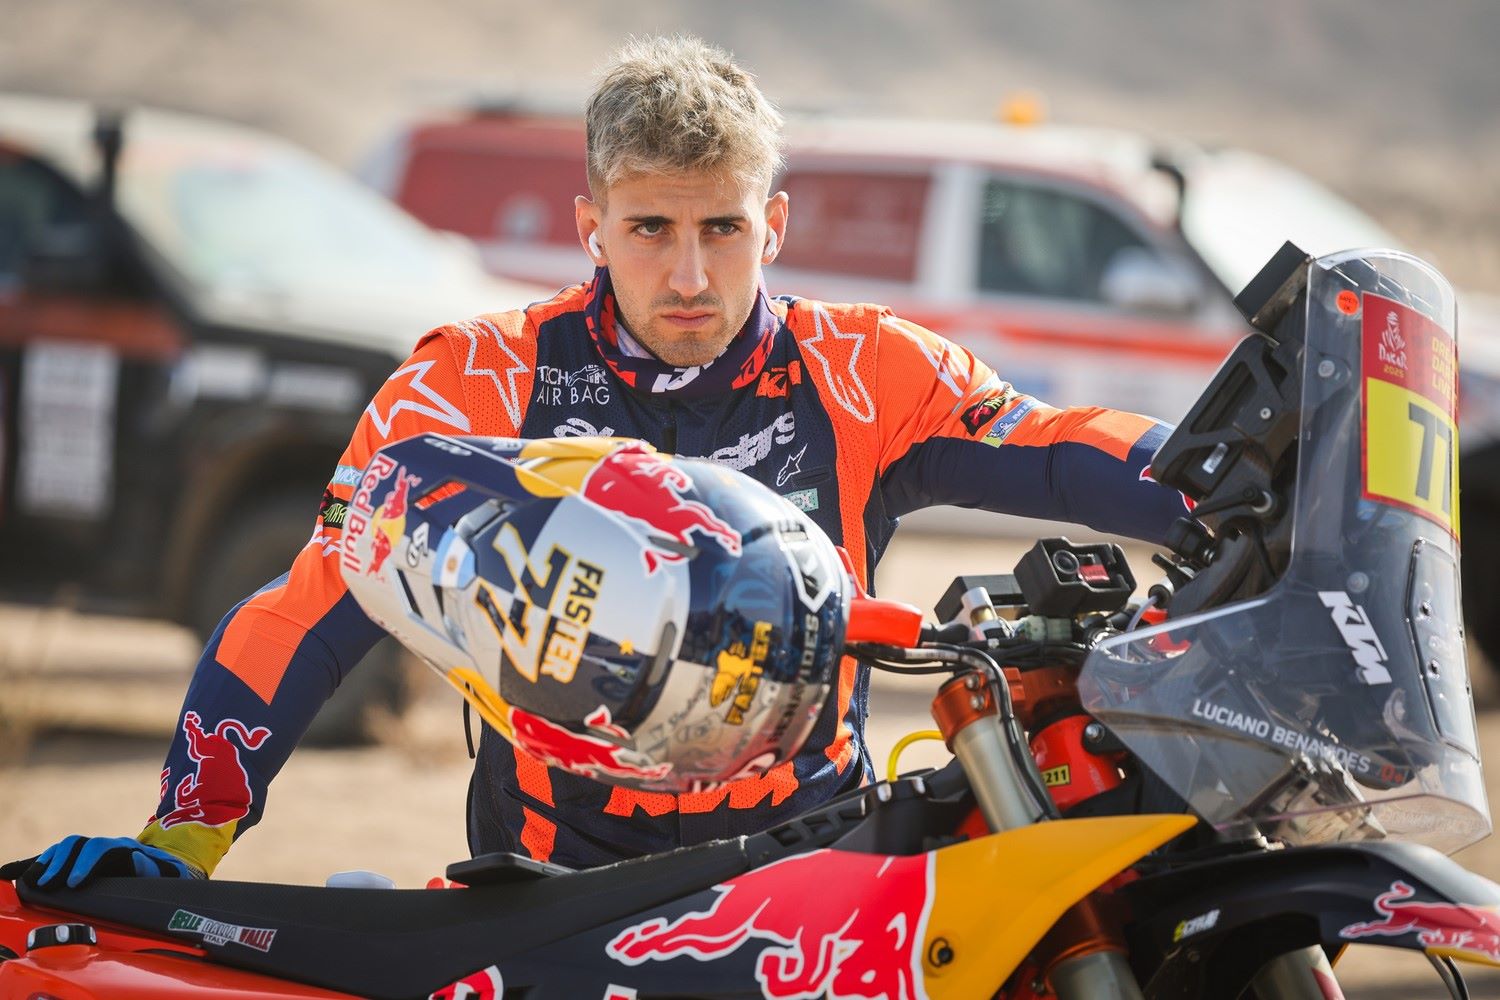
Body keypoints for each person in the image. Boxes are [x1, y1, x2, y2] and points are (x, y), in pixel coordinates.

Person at [15, 35, 1193, 882]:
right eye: (651, 229)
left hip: (819, 868)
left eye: (722, 228)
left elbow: (1052, 447)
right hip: (550, 886)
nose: (690, 275)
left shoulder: (863, 367)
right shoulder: (474, 383)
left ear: (771, 226)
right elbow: (316, 603)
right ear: (592, 226)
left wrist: (1236, 472)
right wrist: (184, 835)